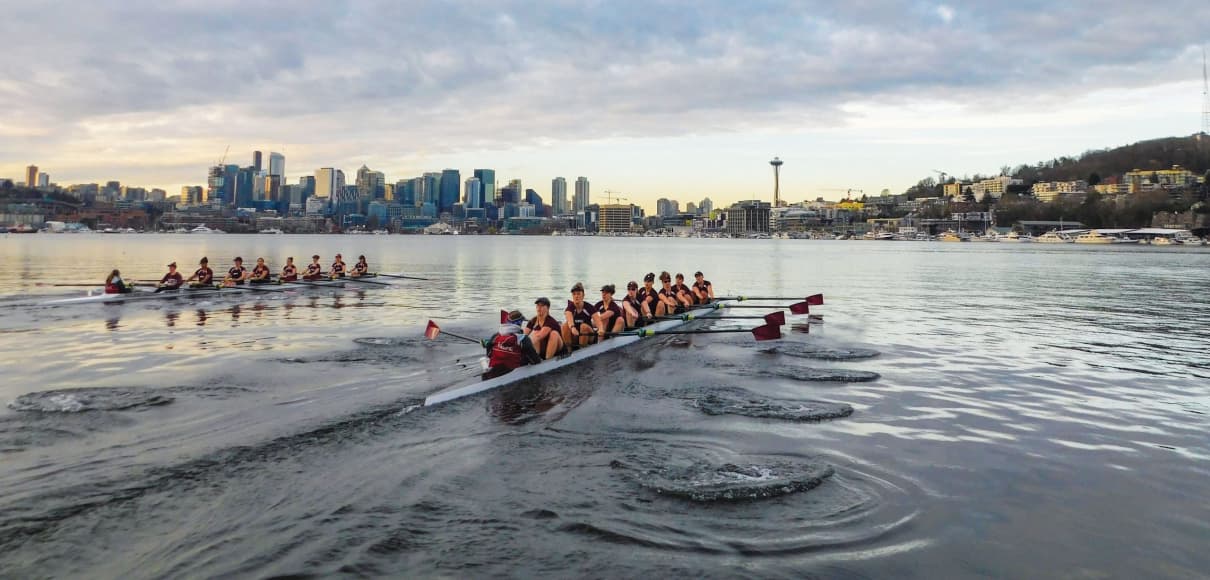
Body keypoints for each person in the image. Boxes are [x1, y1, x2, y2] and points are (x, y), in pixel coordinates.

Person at [482, 309, 542, 377]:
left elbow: (489, 353)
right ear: (520, 323)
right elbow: (535, 361)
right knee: (528, 355)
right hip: (513, 370)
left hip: (494, 368)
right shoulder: (523, 338)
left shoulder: (496, 335)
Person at [562, 282, 598, 349]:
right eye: (574, 294)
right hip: (576, 334)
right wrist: (572, 327)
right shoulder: (570, 307)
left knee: (583, 326)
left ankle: (582, 350)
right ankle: (569, 351)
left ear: (583, 295)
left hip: (589, 336)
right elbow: (568, 315)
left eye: (578, 294)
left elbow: (598, 322)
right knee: (564, 326)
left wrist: (601, 329)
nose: (576, 296)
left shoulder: (589, 307)